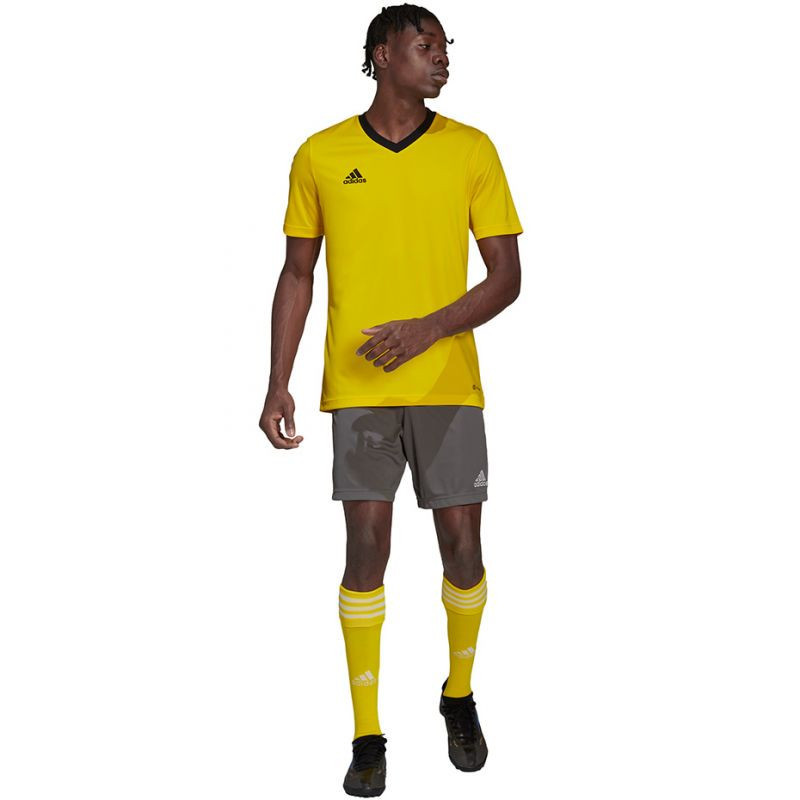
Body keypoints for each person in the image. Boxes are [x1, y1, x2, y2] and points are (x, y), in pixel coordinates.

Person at [259, 4, 523, 795]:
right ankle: (368, 734)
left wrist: (424, 331)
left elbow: (508, 278)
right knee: (365, 552)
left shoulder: (472, 149)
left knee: (464, 553)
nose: (442, 59)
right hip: (360, 392)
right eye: (425, 45)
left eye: (445, 47)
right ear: (382, 55)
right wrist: (277, 381)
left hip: (448, 387)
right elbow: (298, 274)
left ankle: (459, 695)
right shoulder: (320, 153)